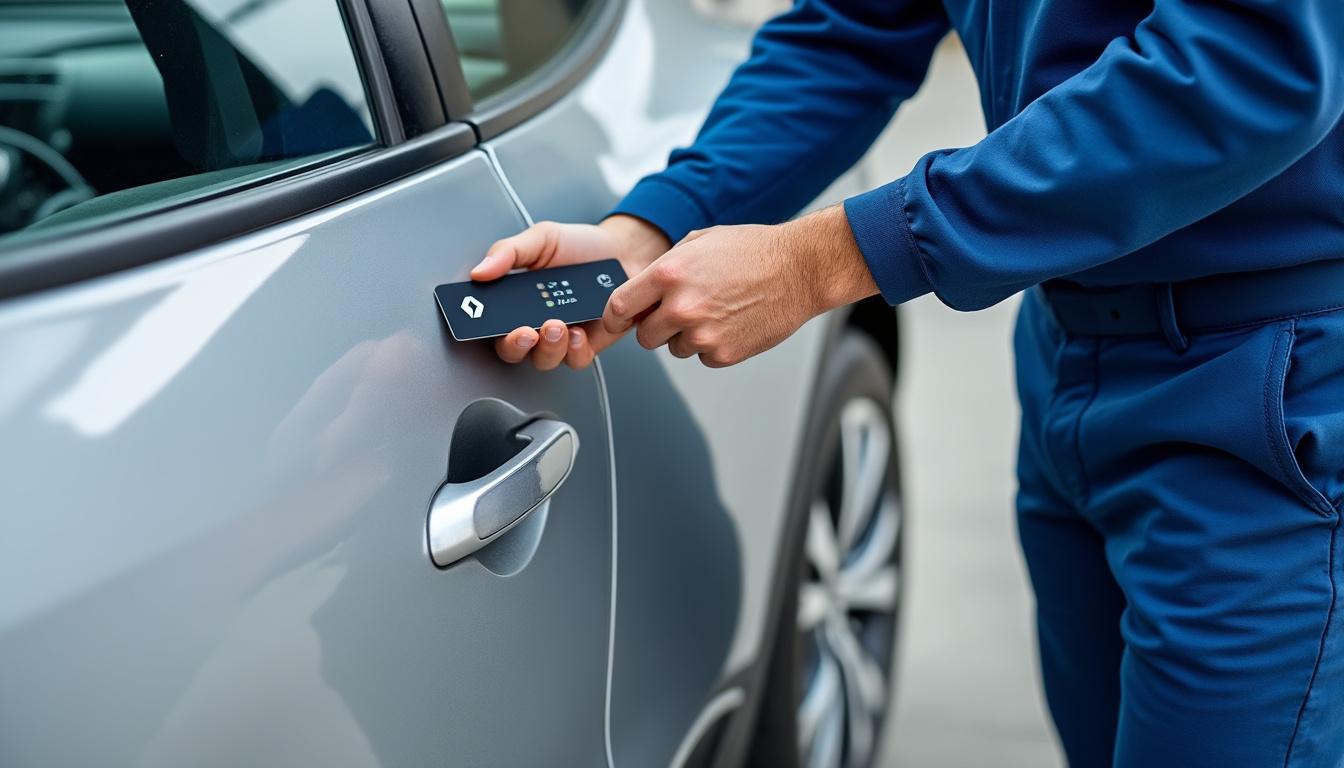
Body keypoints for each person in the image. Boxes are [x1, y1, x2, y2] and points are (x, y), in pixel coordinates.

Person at [470, 0, 1344, 764]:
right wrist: (655, 225)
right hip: (1068, 359)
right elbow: (851, 29)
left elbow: (1246, 61)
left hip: (1265, 388)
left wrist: (827, 260)